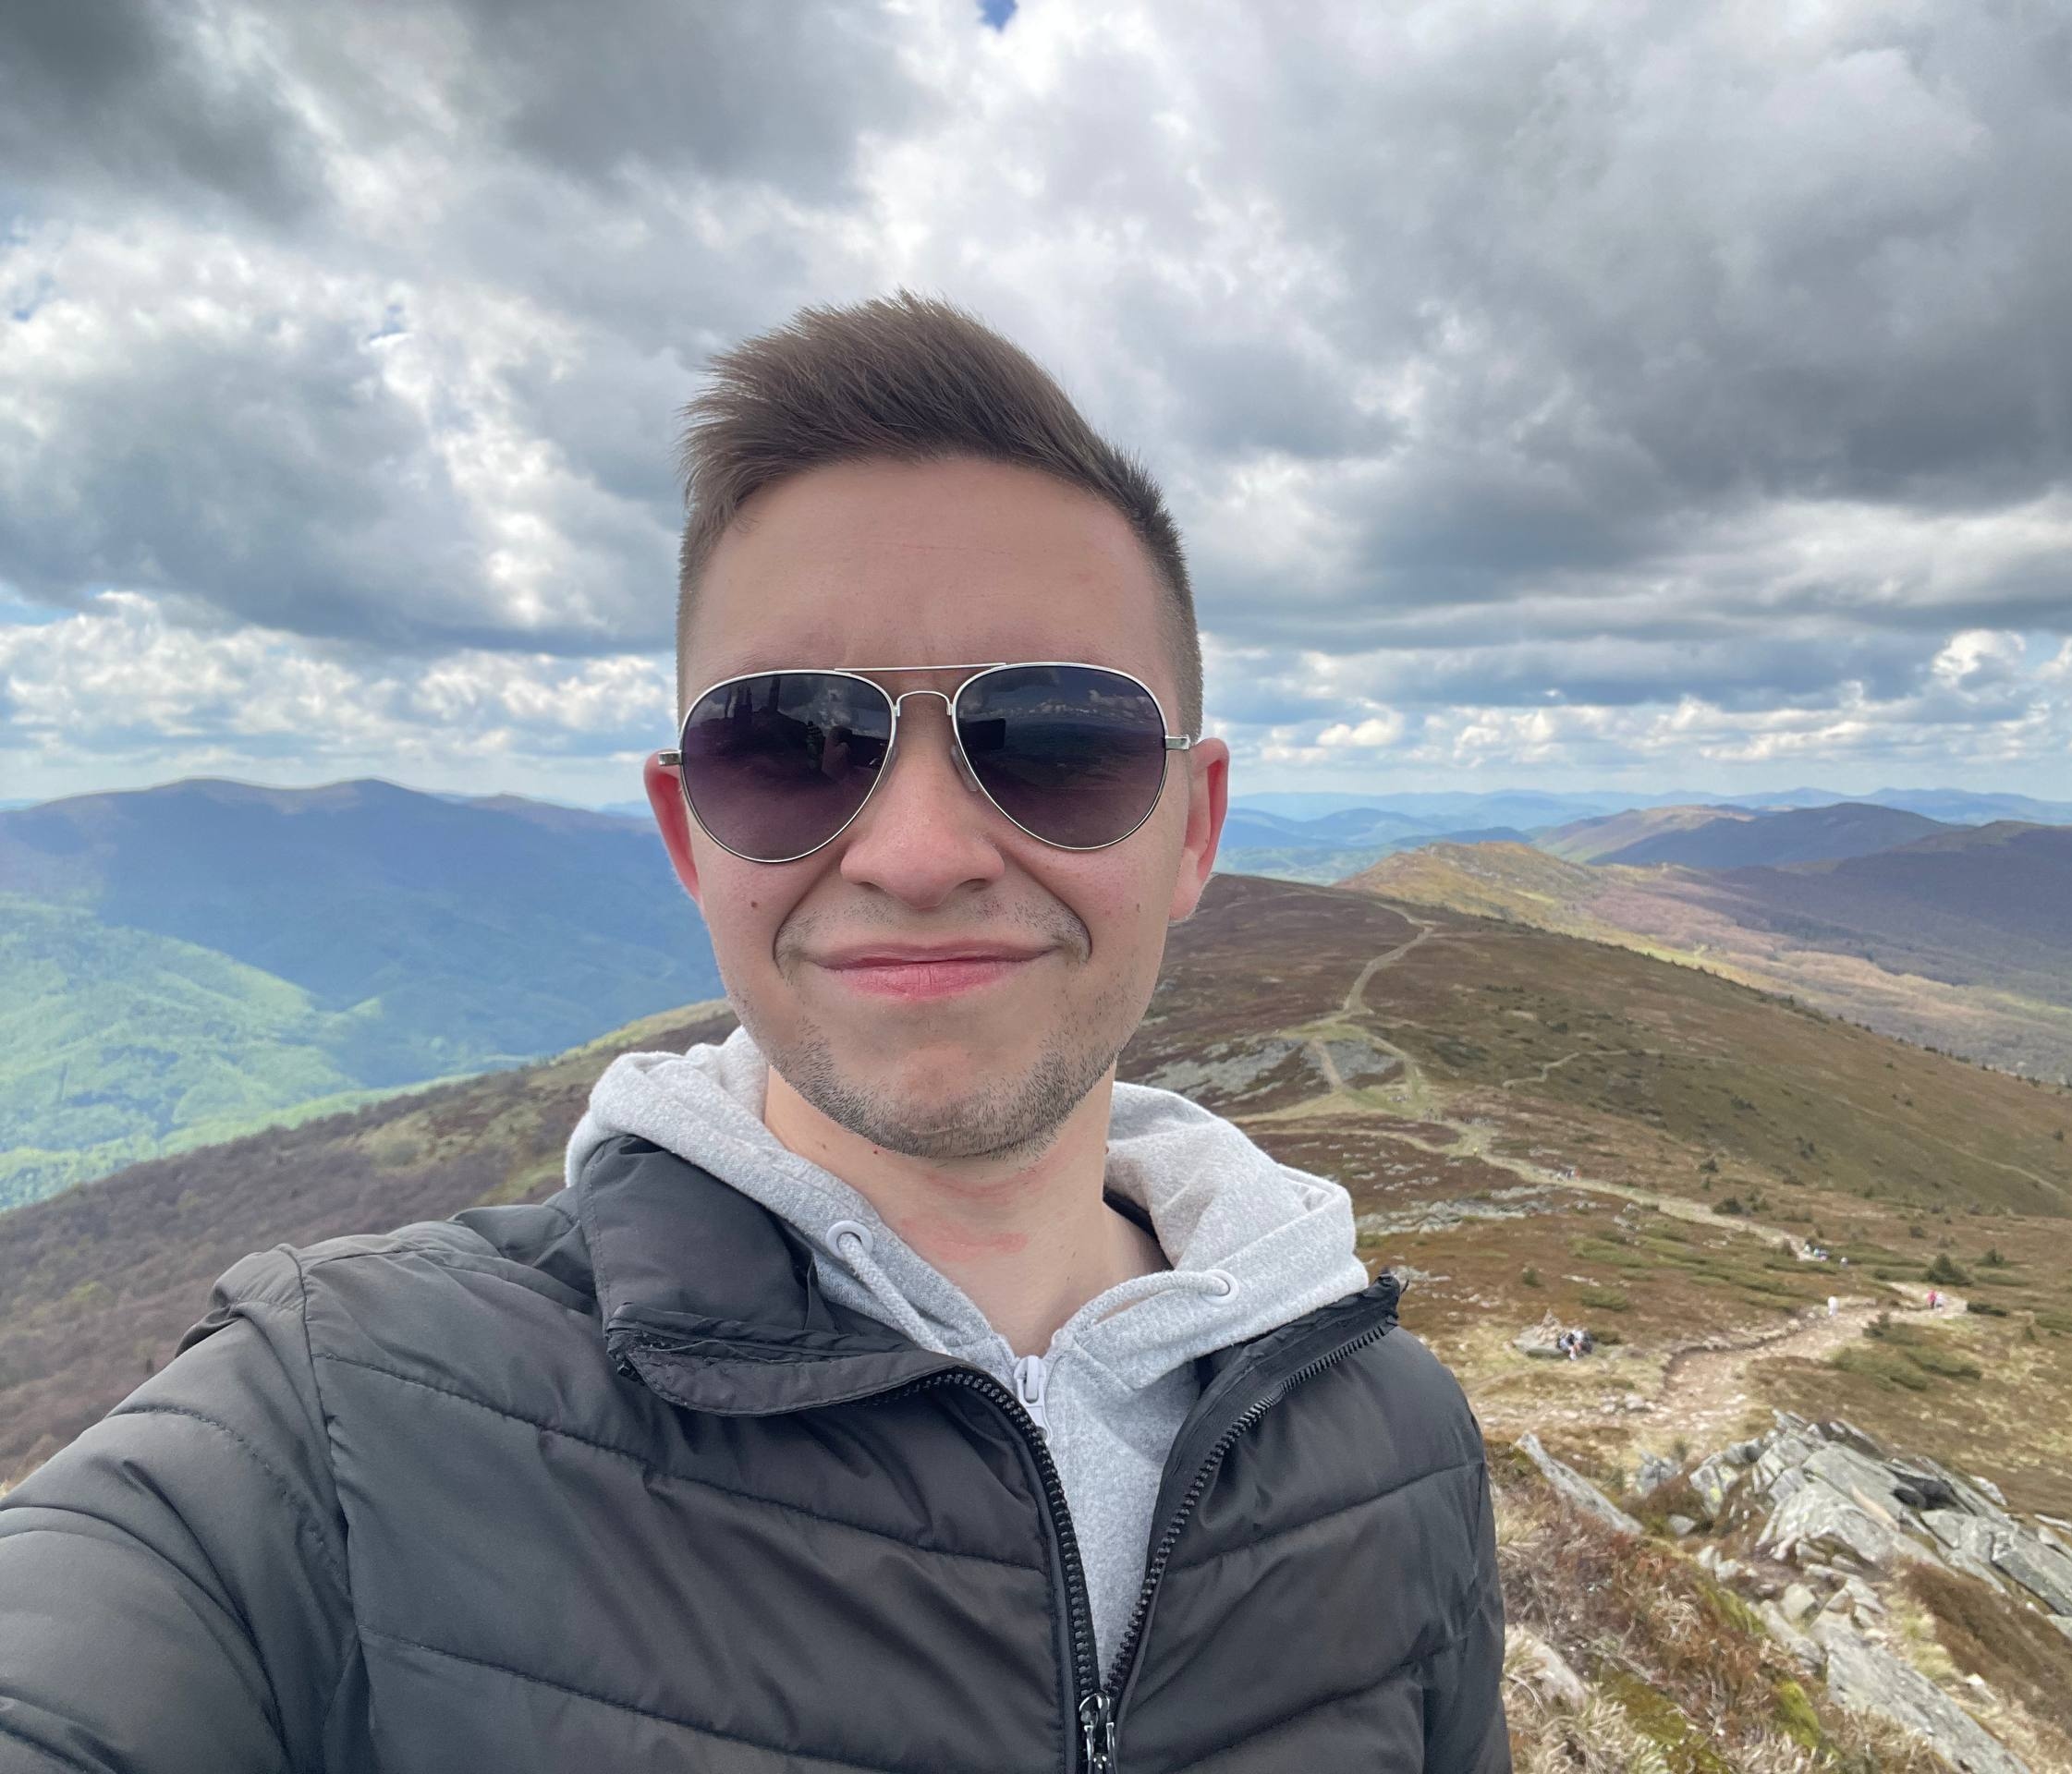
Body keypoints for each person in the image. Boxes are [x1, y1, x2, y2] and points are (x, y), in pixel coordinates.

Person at [0, 295, 1509, 1771]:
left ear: (1196, 827)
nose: (918, 853)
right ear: (686, 833)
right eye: (792, 745)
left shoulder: (1398, 1447)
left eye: (1055, 738)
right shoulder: (337, 1422)